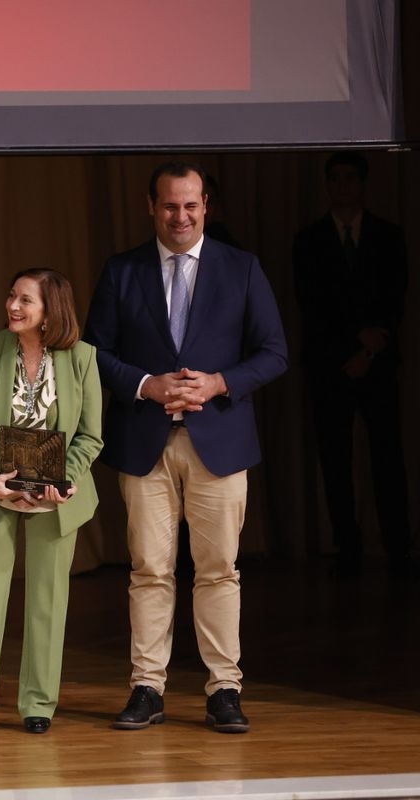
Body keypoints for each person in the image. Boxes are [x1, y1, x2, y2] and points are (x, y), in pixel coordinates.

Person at [83, 162, 287, 734]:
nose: (181, 216)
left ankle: (224, 690)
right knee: (149, 570)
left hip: (218, 442)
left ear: (206, 207)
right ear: (152, 207)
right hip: (144, 441)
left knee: (219, 571)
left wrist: (220, 382)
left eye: (191, 205)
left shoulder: (241, 268)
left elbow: (274, 351)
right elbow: (92, 352)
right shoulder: (122, 271)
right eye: (170, 206)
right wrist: (147, 385)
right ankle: (147, 687)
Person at [0, 269, 103, 736]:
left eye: (25, 300)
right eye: (12, 296)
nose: (13, 306)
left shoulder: (82, 358)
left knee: (47, 601)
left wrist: (68, 477)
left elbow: (90, 435)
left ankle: (38, 704)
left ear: (50, 310)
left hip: (56, 500)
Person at [292, 151, 411, 578]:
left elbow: (395, 297)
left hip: (378, 362)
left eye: (350, 178)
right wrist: (350, 346)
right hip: (330, 365)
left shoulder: (388, 235)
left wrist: (370, 348)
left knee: (387, 456)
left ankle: (399, 547)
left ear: (362, 184)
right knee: (335, 460)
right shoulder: (309, 240)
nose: (343, 186)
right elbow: (312, 303)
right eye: (336, 179)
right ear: (327, 185)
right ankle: (348, 547)